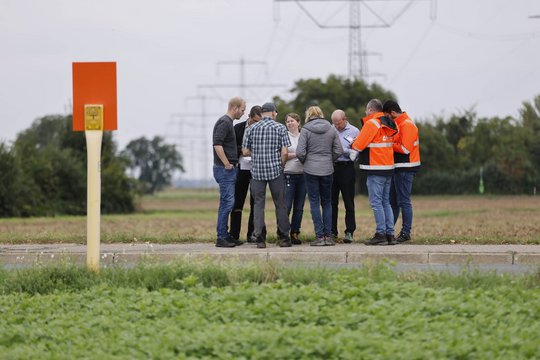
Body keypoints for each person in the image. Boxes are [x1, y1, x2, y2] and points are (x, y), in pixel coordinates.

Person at [242, 102, 292, 248]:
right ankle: (283, 238)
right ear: (273, 113)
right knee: (280, 204)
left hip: (257, 172)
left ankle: (260, 239)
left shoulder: (251, 128)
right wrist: (281, 165)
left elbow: (245, 152)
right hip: (276, 171)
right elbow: (284, 152)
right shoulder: (280, 128)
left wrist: (257, 152)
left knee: (258, 205)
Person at [351, 99, 398, 246]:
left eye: (366, 111)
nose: (366, 113)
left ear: (371, 110)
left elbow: (360, 143)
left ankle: (380, 233)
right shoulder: (389, 122)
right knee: (386, 202)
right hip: (388, 167)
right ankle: (390, 234)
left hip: (375, 167)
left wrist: (353, 145)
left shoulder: (371, 123)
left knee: (376, 202)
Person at [296, 106, 343, 246]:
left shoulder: (305, 130)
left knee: (315, 203)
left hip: (311, 170)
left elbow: (300, 152)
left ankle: (319, 237)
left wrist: (306, 161)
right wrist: (330, 160)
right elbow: (339, 150)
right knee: (327, 202)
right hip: (328, 169)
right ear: (321, 114)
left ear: (308, 115)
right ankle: (328, 236)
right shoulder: (331, 128)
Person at [383, 100, 421, 243]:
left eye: (387, 116)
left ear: (392, 113)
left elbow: (405, 149)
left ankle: (406, 233)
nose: (387, 119)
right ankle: (389, 233)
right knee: (393, 201)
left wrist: (388, 144)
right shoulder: (399, 123)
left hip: (406, 167)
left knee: (403, 201)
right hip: (398, 167)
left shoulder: (407, 125)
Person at [212, 97, 246, 247]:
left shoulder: (228, 122)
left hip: (230, 168)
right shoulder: (224, 122)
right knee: (227, 203)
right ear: (235, 108)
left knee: (227, 202)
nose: (243, 113)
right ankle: (221, 238)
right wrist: (226, 163)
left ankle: (225, 235)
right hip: (225, 169)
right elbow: (217, 144)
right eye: (243, 110)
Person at [229, 105, 266, 243]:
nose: (258, 124)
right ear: (249, 117)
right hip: (241, 169)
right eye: (255, 121)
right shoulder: (237, 129)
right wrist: (245, 150)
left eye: (260, 122)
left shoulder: (263, 129)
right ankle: (234, 234)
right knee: (237, 202)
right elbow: (232, 146)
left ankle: (252, 234)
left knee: (255, 203)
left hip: (257, 169)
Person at [330, 109, 360, 244]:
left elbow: (357, 153)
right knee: (331, 202)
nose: (336, 126)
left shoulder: (355, 131)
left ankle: (349, 231)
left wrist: (344, 151)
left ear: (345, 119)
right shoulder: (330, 130)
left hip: (347, 168)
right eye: (334, 123)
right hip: (331, 168)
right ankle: (332, 232)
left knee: (348, 202)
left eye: (338, 123)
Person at [284, 113, 306, 245]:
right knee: (287, 205)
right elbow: (282, 154)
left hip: (303, 174)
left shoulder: (304, 136)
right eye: (287, 121)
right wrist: (297, 154)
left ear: (298, 122)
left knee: (299, 207)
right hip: (288, 173)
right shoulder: (285, 136)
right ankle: (283, 232)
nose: (290, 123)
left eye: (292, 121)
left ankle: (295, 232)